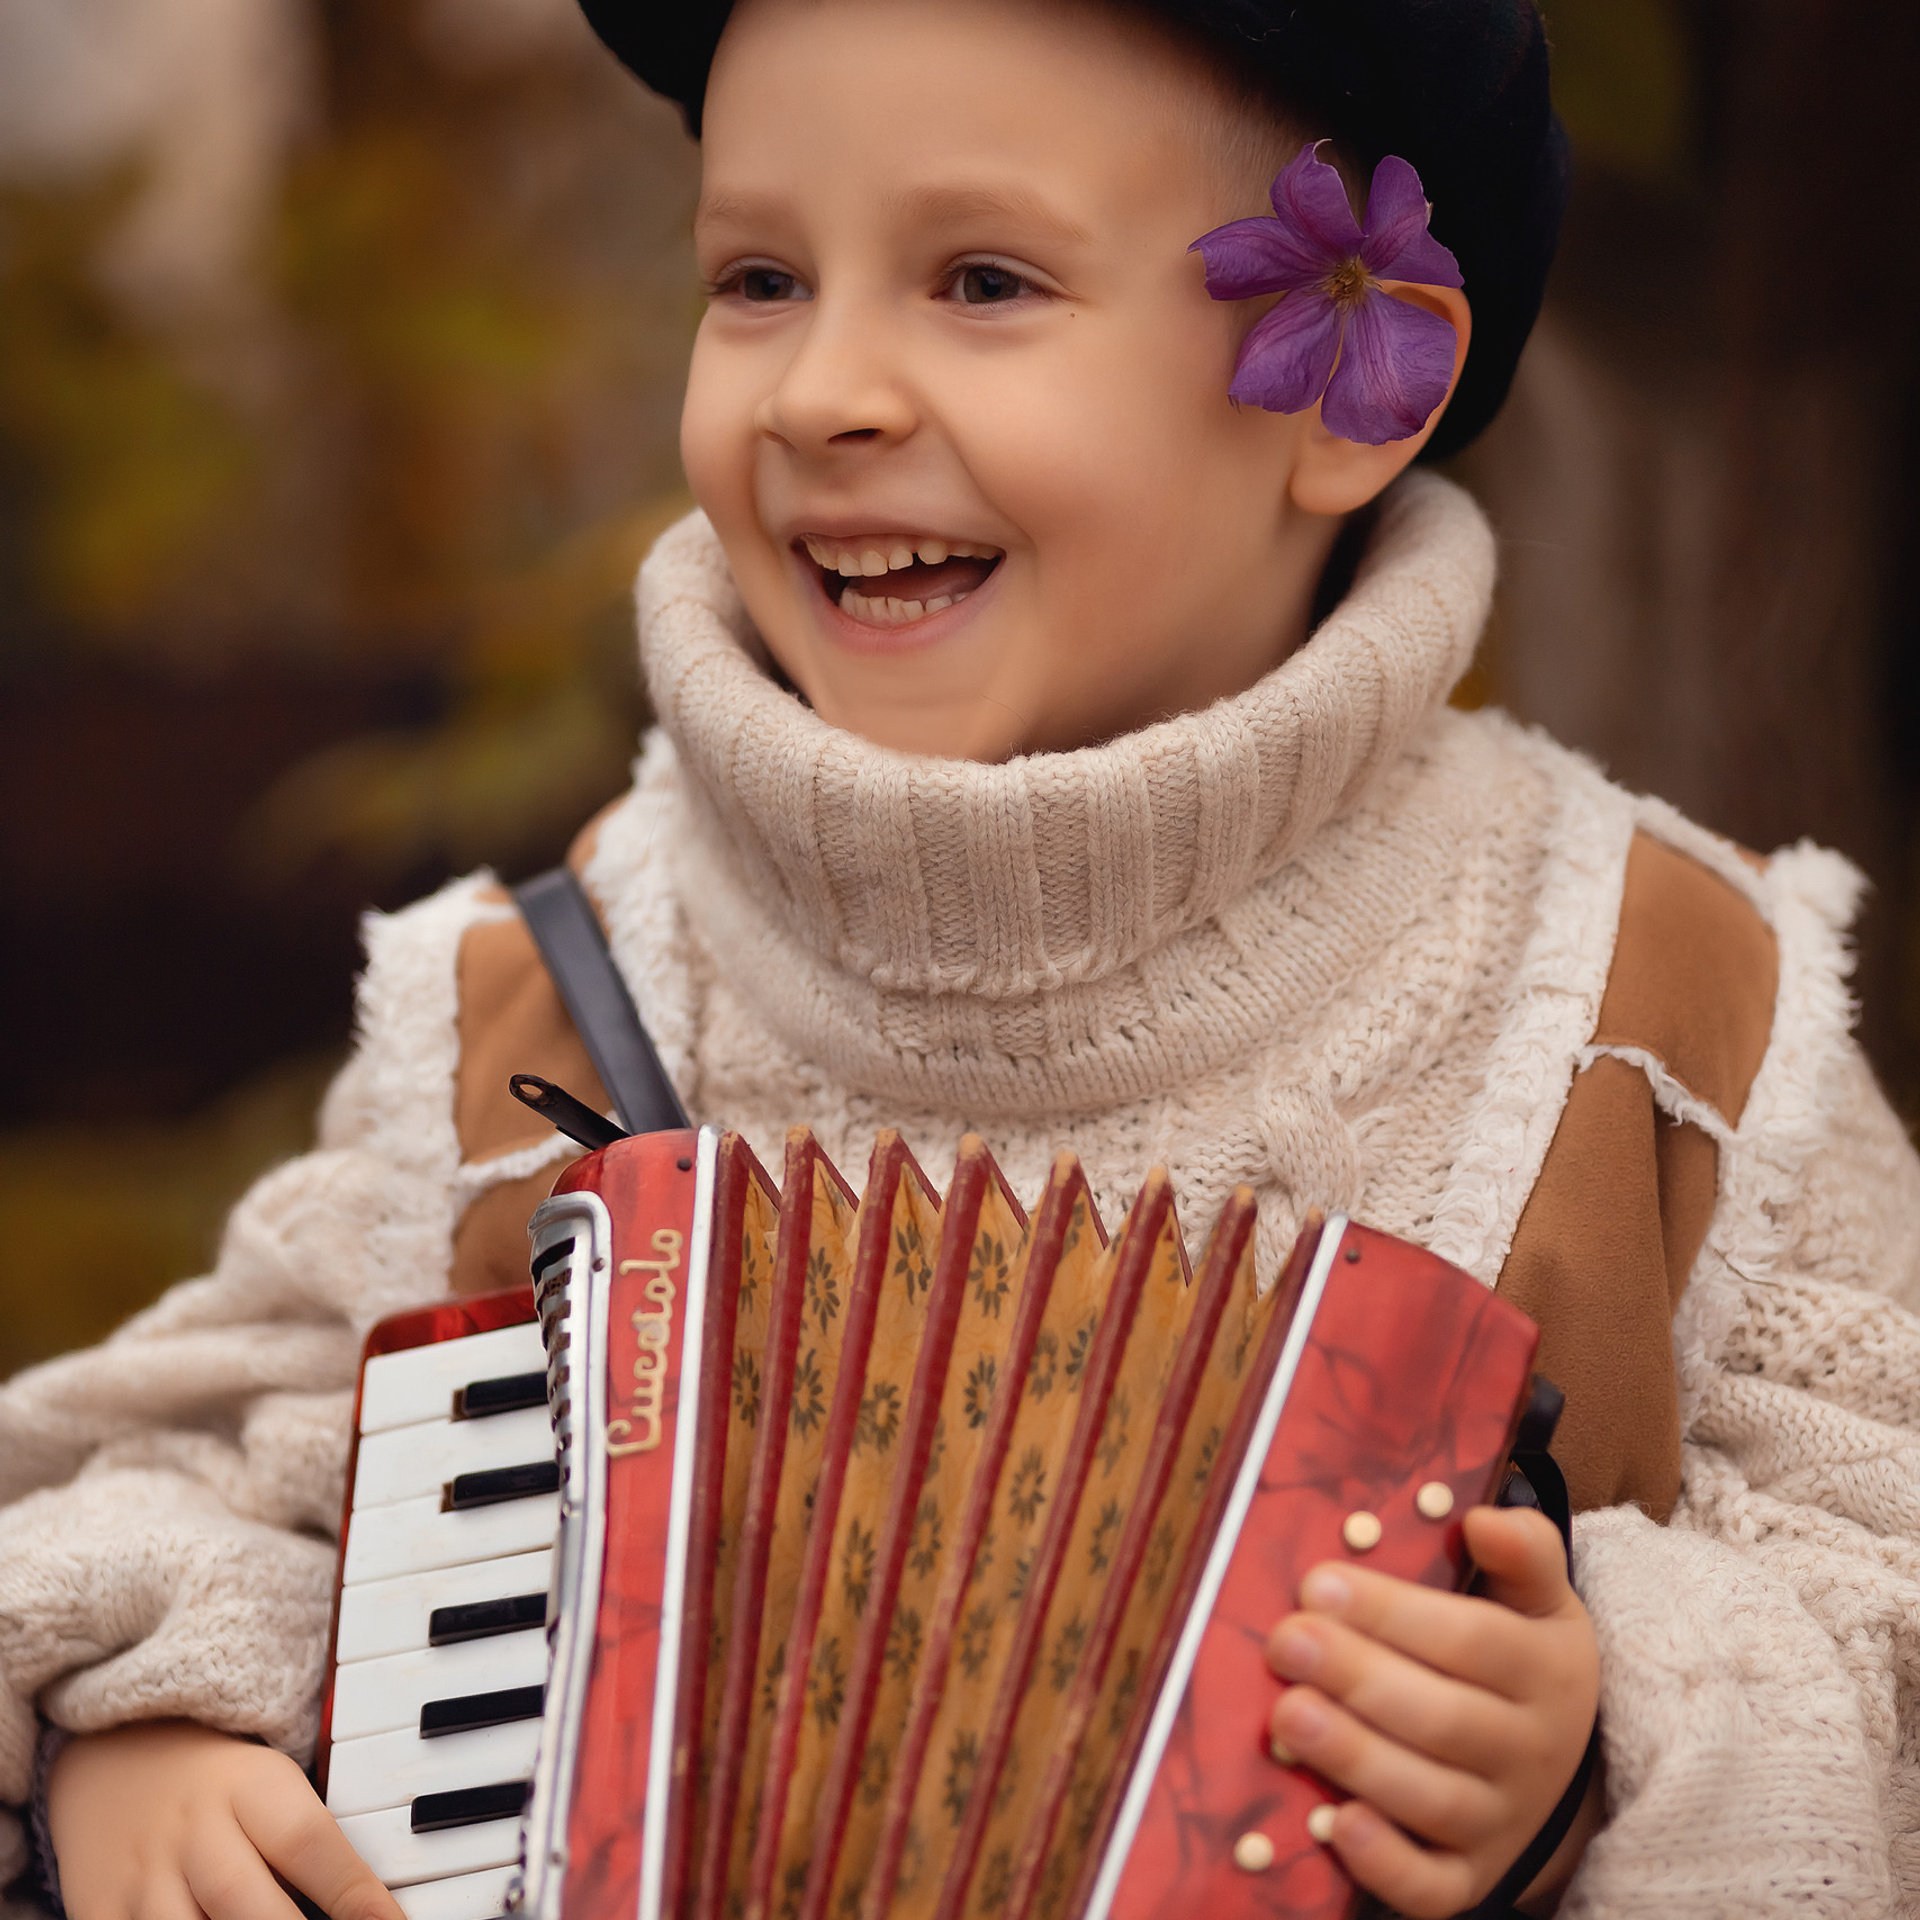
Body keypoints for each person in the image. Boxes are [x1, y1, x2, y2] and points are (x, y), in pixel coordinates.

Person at [6, 0, 1918, 1915]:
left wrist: (1599, 1732)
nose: (822, 387)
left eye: (982, 279)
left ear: (1360, 382)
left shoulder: (1660, 1004)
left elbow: (1885, 1602)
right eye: (757, 276)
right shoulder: (532, 1009)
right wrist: (140, 1736)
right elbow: (156, 1485)